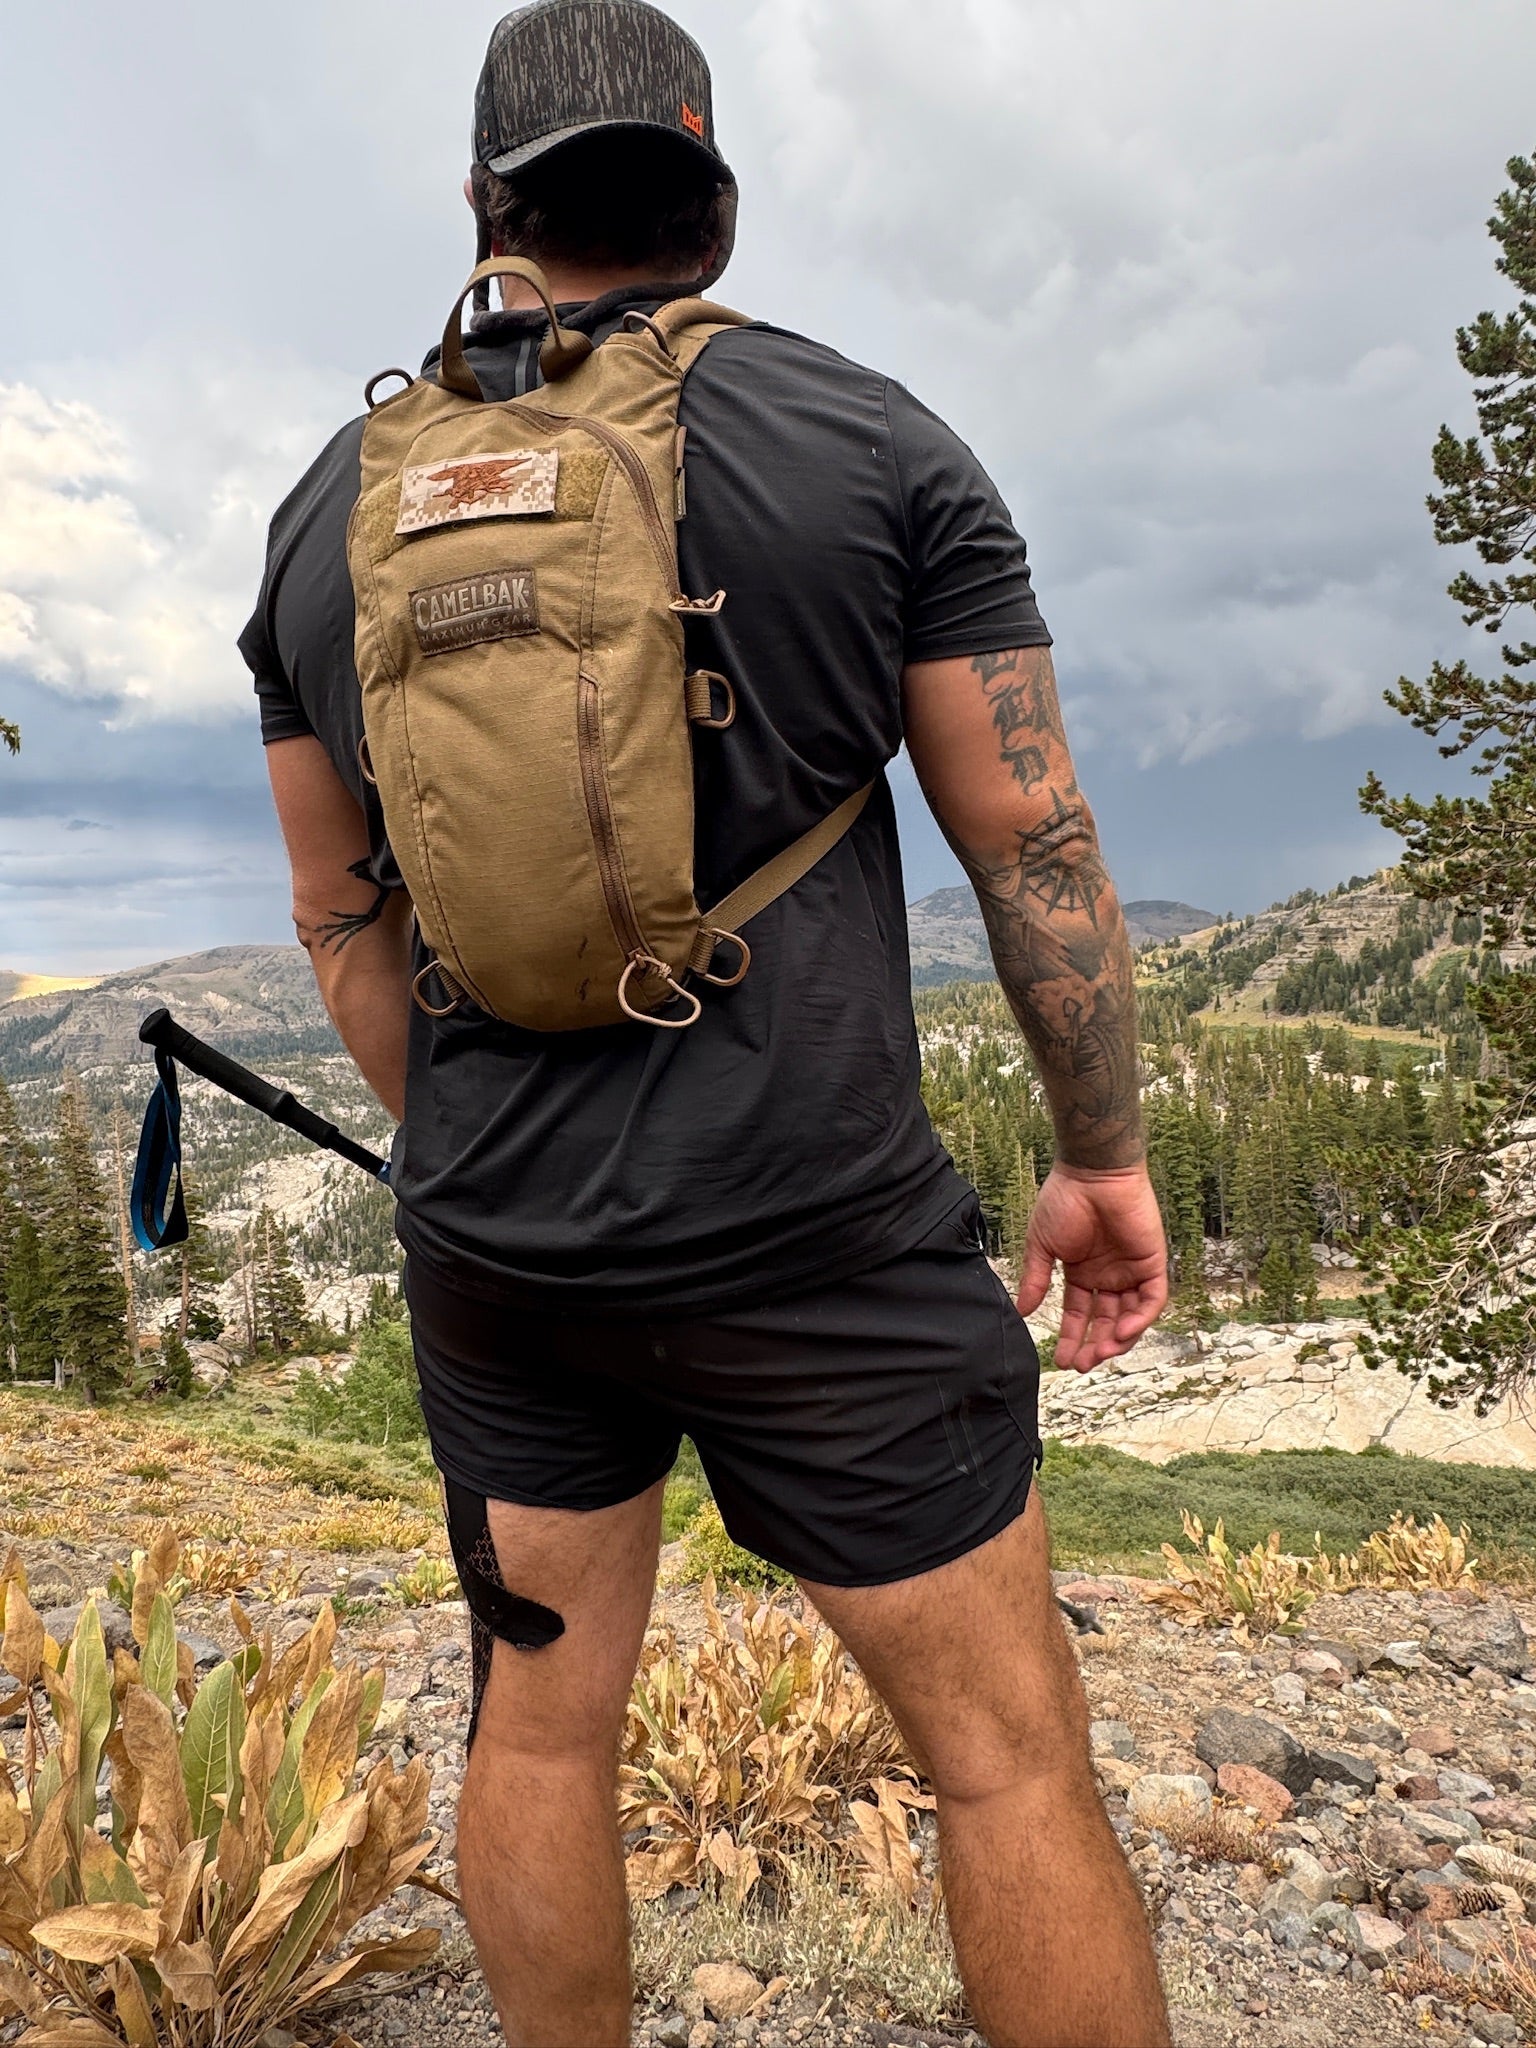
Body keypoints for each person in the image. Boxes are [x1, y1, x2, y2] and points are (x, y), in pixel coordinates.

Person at [241, 4, 1171, 2043]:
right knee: (1006, 1759)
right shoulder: (876, 445)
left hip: (503, 1266)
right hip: (819, 1243)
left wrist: (481, 1163)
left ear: (489, 204)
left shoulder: (333, 514)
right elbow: (1037, 848)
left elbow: (337, 924)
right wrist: (1098, 1153)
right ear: (710, 195)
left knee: (546, 1738)